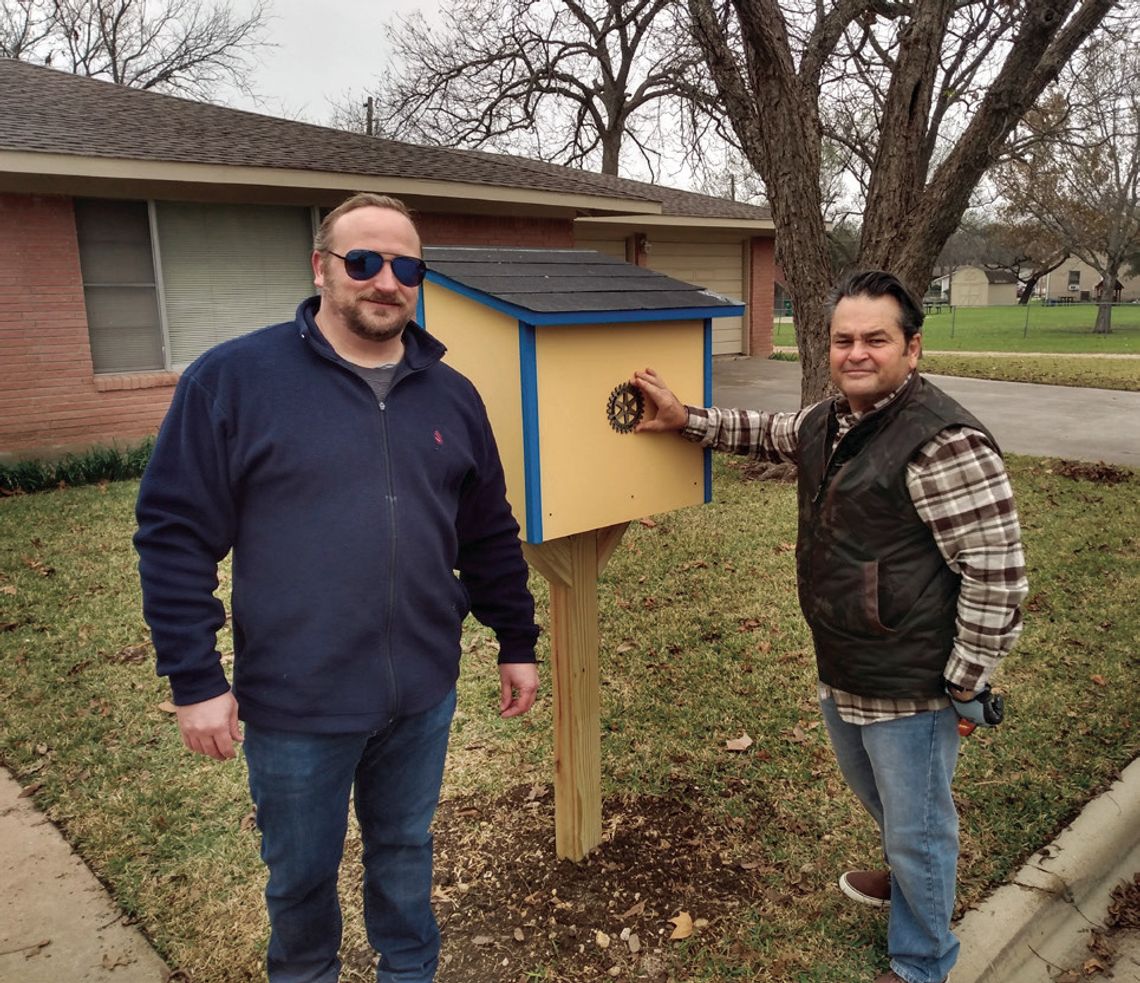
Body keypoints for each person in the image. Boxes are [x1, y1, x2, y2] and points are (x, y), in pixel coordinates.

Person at [134, 192, 540, 983]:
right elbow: (174, 533)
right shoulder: (234, 381)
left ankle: (409, 971)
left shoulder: (452, 395)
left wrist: (516, 640)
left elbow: (486, 530)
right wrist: (195, 678)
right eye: (363, 261)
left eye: (406, 265)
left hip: (420, 695)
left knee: (404, 851)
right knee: (300, 878)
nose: (385, 281)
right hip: (296, 704)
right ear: (321, 268)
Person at [631, 270, 1027, 983]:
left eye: (876, 338)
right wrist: (685, 417)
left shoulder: (944, 442)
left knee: (920, 825)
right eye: (844, 338)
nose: (856, 352)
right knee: (888, 804)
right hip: (845, 662)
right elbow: (769, 430)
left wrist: (964, 679)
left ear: (913, 347)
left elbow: (998, 575)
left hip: (912, 680)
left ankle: (921, 960)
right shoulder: (832, 420)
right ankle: (913, 875)